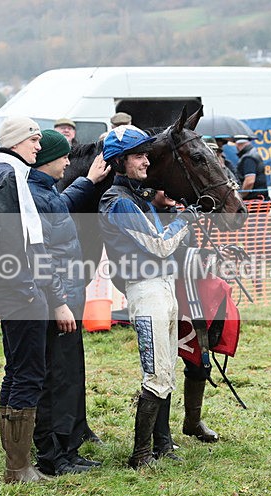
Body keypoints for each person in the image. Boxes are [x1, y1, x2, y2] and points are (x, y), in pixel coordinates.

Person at [98, 125, 200, 468]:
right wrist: (184, 220)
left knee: (167, 371)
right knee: (156, 374)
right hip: (146, 291)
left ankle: (163, 445)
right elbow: (158, 245)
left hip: (163, 287)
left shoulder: (137, 198)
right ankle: (140, 455)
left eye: (145, 154)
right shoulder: (117, 202)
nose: (146, 161)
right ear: (120, 161)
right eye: (139, 155)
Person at [0, 116, 73, 483]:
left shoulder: (10, 174)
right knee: (28, 374)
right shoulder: (6, 177)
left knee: (17, 371)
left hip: (18, 288)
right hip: (19, 290)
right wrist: (33, 289)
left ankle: (18, 464)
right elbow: (12, 242)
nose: (39, 146)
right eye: (34, 140)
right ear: (17, 142)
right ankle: (17, 468)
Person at [27, 129, 109, 476]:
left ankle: (68, 448)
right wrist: (59, 302)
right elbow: (39, 256)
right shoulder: (35, 196)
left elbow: (62, 205)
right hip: (54, 303)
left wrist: (88, 182)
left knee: (66, 373)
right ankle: (51, 456)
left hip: (68, 299)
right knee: (51, 376)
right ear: (48, 161)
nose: (67, 162)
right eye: (63, 157)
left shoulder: (47, 192)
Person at [149, 189, 219, 446]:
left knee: (200, 358)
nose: (169, 193)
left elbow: (188, 255)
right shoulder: (147, 214)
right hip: (161, 295)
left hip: (189, 296)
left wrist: (208, 261)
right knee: (163, 367)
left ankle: (193, 421)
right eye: (162, 188)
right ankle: (161, 434)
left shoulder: (181, 215)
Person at [234, 135, 269, 201]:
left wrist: (241, 197)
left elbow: (249, 181)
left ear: (237, 144)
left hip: (253, 202)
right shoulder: (252, 154)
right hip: (259, 200)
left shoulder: (248, 158)